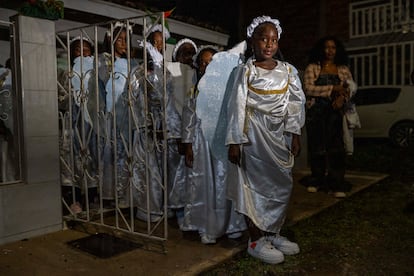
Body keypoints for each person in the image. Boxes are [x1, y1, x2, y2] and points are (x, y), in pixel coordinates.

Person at [225, 16, 305, 264]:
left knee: (280, 185)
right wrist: (235, 141)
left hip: (278, 135)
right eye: (263, 38)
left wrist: (294, 132)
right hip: (253, 135)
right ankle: (256, 238)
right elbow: (236, 105)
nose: (269, 44)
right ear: (253, 41)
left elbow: (295, 102)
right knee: (254, 187)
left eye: (273, 39)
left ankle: (273, 231)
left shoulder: (288, 71)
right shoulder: (245, 71)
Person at [302, 35, 356, 198]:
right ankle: (317, 180)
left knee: (336, 147)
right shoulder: (313, 67)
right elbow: (308, 89)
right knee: (317, 146)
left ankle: (336, 183)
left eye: (333, 47)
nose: (330, 51)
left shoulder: (343, 69)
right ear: (321, 49)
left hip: (336, 111)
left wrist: (342, 98)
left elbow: (350, 88)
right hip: (316, 111)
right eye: (327, 47)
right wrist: (333, 89)